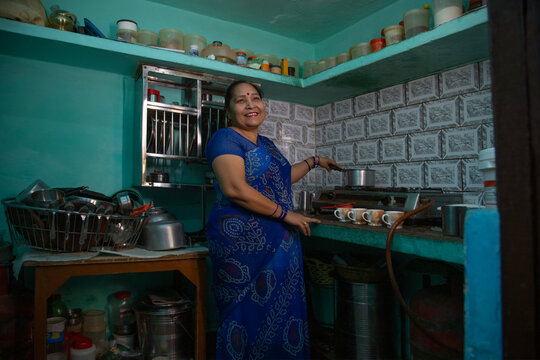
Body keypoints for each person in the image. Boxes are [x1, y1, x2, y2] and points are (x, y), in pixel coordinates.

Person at [205, 80, 340, 359]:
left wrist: (314, 161)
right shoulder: (224, 138)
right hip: (243, 248)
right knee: (246, 318)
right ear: (229, 110)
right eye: (241, 100)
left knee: (282, 313)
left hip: (281, 243)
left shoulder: (266, 143)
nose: (251, 104)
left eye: (255, 98)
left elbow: (281, 177)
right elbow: (235, 189)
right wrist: (286, 214)